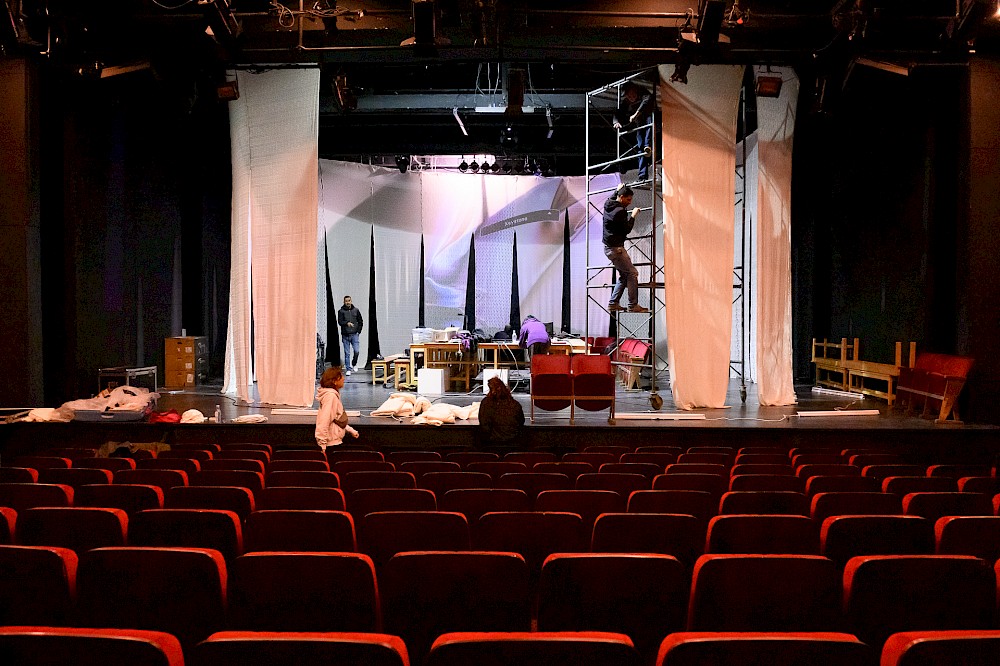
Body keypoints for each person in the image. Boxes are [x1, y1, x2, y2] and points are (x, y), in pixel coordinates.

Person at [603, 185, 649, 313]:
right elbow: (627, 229)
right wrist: (633, 216)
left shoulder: (608, 204)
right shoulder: (620, 212)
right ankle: (633, 305)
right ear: (622, 197)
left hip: (609, 248)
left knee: (624, 275)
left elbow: (612, 197)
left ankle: (613, 303)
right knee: (632, 273)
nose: (630, 202)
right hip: (616, 249)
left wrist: (616, 190)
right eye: (628, 199)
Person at [613, 81, 654, 181]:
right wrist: (616, 121)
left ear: (634, 89)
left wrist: (636, 114)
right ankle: (642, 175)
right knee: (640, 148)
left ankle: (647, 145)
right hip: (640, 123)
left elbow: (647, 100)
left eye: (630, 94)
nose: (630, 97)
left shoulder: (643, 92)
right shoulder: (627, 101)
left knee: (648, 128)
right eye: (628, 96)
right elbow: (618, 112)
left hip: (649, 118)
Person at [315, 366, 359, 451]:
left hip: (334, 442)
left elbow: (336, 418)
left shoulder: (332, 395)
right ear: (334, 381)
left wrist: (350, 430)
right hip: (331, 444)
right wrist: (322, 445)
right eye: (341, 377)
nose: (343, 378)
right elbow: (324, 419)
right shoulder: (331, 396)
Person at [478, 375, 525, 446]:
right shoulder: (515, 404)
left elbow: (484, 424)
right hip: (514, 443)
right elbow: (521, 422)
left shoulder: (486, 403)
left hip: (492, 443)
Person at [337, 295, 363, 376]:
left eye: (349, 301)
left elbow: (360, 321)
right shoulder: (341, 311)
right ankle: (348, 369)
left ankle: (354, 363)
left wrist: (358, 331)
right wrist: (347, 323)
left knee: (356, 351)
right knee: (347, 353)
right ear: (344, 302)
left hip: (354, 334)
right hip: (345, 335)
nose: (348, 302)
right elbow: (340, 322)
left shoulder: (356, 310)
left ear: (351, 301)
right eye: (346, 301)